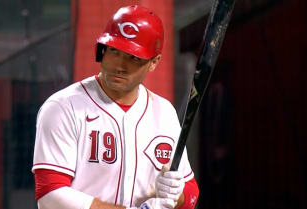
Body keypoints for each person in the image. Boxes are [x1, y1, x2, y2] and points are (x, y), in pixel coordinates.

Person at [32, 5, 199, 209]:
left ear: (154, 62)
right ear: (102, 49)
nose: (119, 65)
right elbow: (50, 195)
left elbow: (190, 194)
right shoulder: (63, 107)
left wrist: (175, 195)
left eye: (134, 58)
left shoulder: (164, 112)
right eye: (114, 51)